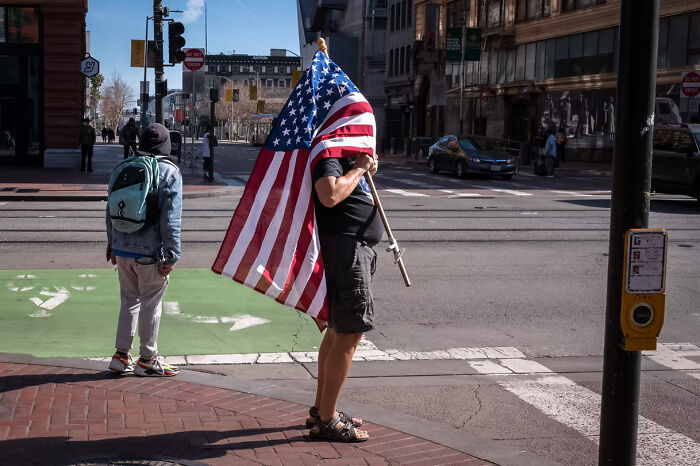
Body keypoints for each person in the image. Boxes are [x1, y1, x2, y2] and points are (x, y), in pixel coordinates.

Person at [306, 152, 381, 443]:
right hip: (347, 252)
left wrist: (363, 169)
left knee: (337, 331)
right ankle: (327, 420)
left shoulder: (340, 155)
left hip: (348, 249)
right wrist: (360, 168)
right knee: (349, 333)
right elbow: (330, 194)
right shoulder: (329, 154)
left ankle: (322, 410)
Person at [106, 123, 182, 377]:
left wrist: (112, 244)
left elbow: (110, 210)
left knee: (129, 301)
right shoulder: (169, 171)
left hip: (122, 248)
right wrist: (172, 254)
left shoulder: (124, 166)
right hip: (151, 252)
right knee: (151, 302)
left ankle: (120, 356)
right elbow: (171, 218)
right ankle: (147, 358)